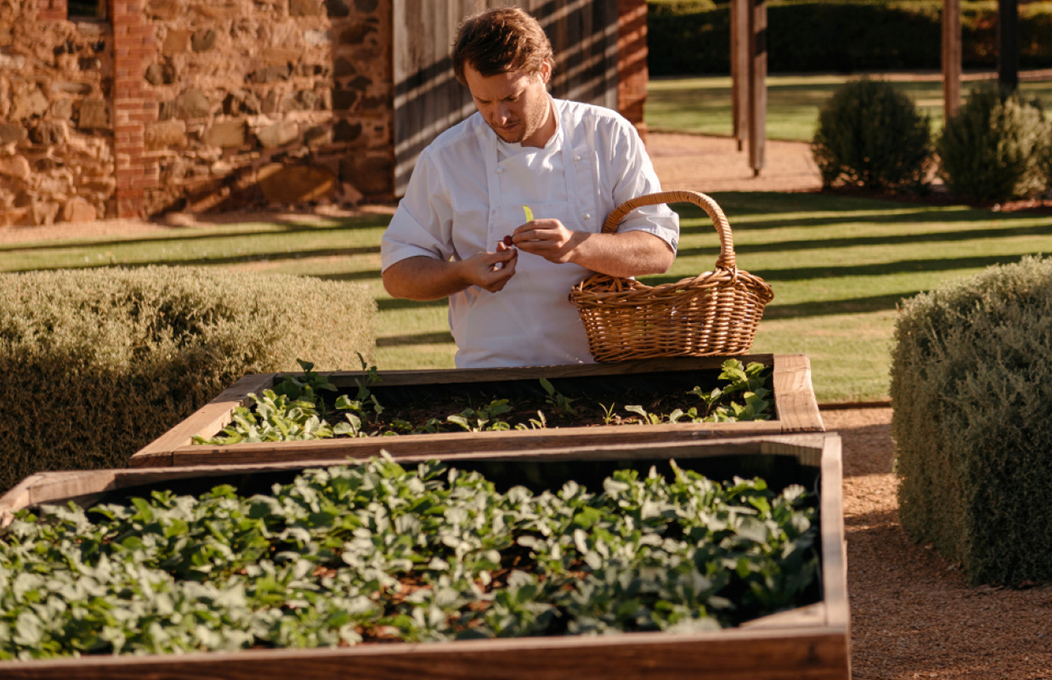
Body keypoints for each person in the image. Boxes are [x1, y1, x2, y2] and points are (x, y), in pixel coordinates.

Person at [381, 6, 679, 368]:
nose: (499, 117)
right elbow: (398, 274)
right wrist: (461, 273)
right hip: (489, 372)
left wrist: (576, 246)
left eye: (511, 97)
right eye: (483, 101)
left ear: (544, 71)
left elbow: (659, 249)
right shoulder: (446, 157)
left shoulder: (607, 134)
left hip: (604, 368)